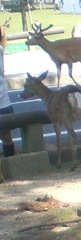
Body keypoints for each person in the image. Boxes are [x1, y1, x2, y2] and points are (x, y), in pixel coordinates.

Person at [0, 22, 15, 158]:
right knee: (6, 136)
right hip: (3, 101)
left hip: (2, 101)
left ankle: (10, 164)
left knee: (6, 136)